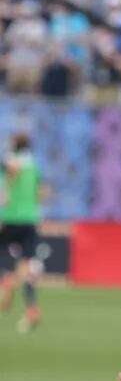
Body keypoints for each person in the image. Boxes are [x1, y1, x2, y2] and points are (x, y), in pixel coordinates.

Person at [0, 133, 48, 333]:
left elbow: (10, 174)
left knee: (7, 258)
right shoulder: (35, 165)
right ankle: (31, 310)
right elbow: (43, 193)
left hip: (11, 218)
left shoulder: (10, 159)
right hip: (30, 220)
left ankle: (7, 282)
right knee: (26, 266)